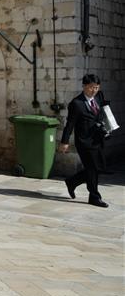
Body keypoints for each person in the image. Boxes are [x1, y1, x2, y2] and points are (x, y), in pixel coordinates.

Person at [60, 74, 110, 207]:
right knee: (93, 169)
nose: (94, 90)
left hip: (97, 139)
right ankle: (94, 197)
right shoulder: (76, 104)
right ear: (84, 86)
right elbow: (69, 124)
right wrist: (64, 142)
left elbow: (102, 111)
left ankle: (72, 182)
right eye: (91, 88)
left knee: (98, 167)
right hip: (84, 142)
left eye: (96, 87)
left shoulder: (99, 96)